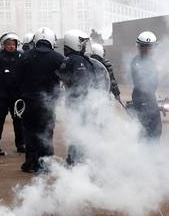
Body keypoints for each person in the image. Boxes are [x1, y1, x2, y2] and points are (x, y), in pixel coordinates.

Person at [59, 29, 110, 165]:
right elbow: (82, 83)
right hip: (80, 103)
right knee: (80, 131)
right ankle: (76, 161)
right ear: (74, 43)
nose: (84, 45)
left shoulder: (70, 59)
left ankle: (74, 159)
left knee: (76, 130)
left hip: (74, 102)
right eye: (82, 42)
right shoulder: (77, 61)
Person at [16, 27, 63, 173]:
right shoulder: (58, 57)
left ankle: (31, 162)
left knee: (30, 132)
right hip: (48, 102)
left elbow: (16, 78)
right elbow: (65, 79)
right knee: (46, 132)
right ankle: (45, 163)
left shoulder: (25, 56)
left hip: (29, 101)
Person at [130, 31, 162, 140]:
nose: (154, 49)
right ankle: (147, 155)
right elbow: (143, 84)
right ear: (146, 47)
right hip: (144, 101)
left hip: (147, 99)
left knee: (153, 131)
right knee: (149, 132)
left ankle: (149, 154)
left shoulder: (148, 61)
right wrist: (156, 71)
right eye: (152, 47)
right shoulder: (138, 62)